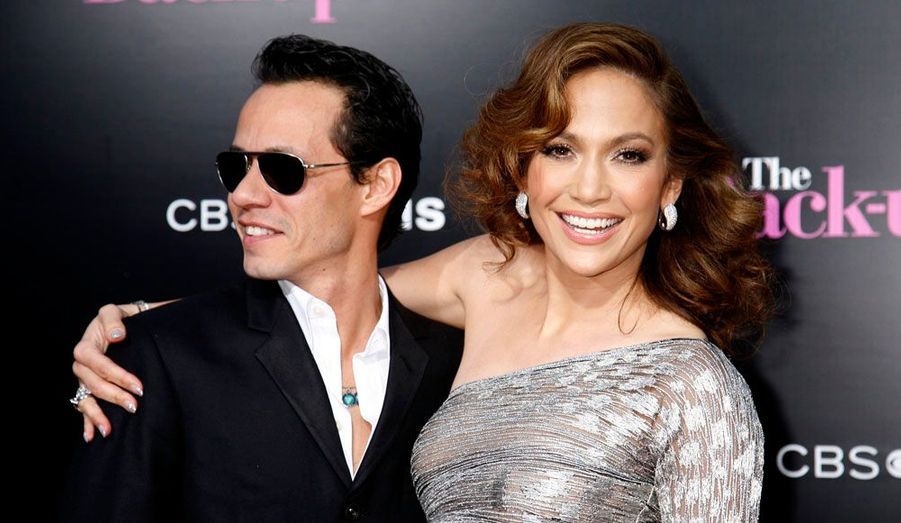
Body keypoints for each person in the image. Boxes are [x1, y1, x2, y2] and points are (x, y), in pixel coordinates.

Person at [70, 23, 774, 521]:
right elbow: (332, 296)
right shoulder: (487, 276)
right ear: (523, 167)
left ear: (670, 185)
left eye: (628, 155)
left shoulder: (693, 383)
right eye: (559, 149)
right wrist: (144, 323)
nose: (589, 188)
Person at [61, 34, 463, 521]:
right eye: (236, 167)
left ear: (376, 185)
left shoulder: (461, 360)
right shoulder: (157, 355)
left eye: (281, 169)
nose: (244, 195)